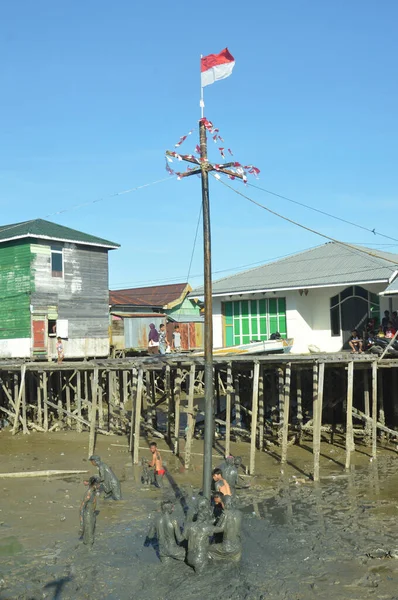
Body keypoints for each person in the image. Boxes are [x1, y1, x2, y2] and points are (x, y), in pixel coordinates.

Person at [79, 476, 100, 546]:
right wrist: (82, 524)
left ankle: (89, 548)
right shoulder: (89, 493)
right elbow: (81, 508)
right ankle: (88, 551)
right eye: (98, 484)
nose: (99, 485)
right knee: (89, 537)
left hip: (92, 514)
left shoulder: (93, 491)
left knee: (91, 533)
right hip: (88, 516)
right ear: (95, 485)